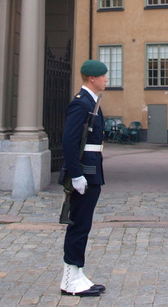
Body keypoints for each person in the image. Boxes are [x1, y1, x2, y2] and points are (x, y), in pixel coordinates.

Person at [60, 59, 108, 297]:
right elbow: (69, 142)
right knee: (78, 225)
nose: (106, 79)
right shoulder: (81, 103)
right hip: (84, 173)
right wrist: (76, 174)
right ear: (92, 78)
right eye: (103, 76)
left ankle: (77, 273)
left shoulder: (91, 101)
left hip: (92, 171)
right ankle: (69, 279)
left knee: (83, 224)